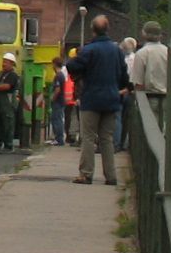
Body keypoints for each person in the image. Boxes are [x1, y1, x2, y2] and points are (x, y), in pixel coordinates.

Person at [66, 14, 132, 185]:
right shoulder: (117, 50)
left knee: (88, 137)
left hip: (91, 98)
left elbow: (72, 65)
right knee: (107, 138)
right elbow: (124, 75)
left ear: (92, 30)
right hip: (112, 98)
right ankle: (111, 176)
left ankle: (86, 174)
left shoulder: (89, 50)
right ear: (108, 29)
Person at [0, 51, 20, 151]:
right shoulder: (1, 73)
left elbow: (7, 86)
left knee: (8, 124)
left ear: (12, 63)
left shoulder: (13, 75)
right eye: (3, 61)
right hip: (0, 103)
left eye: (6, 62)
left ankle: (8, 145)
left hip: (8, 103)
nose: (3, 64)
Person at [46, 56, 69, 146]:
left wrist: (53, 98)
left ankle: (59, 139)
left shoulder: (58, 76)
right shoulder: (61, 75)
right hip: (61, 101)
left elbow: (57, 89)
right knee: (57, 119)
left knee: (57, 119)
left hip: (58, 101)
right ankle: (58, 138)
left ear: (55, 64)